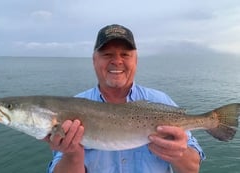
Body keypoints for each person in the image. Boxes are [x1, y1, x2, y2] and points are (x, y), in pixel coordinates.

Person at [46, 24, 205, 173]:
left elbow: (193, 168)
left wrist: (179, 153)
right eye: (107, 54)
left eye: (125, 54)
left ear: (135, 61)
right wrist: (72, 155)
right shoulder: (72, 109)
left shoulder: (160, 100)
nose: (116, 61)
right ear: (94, 60)